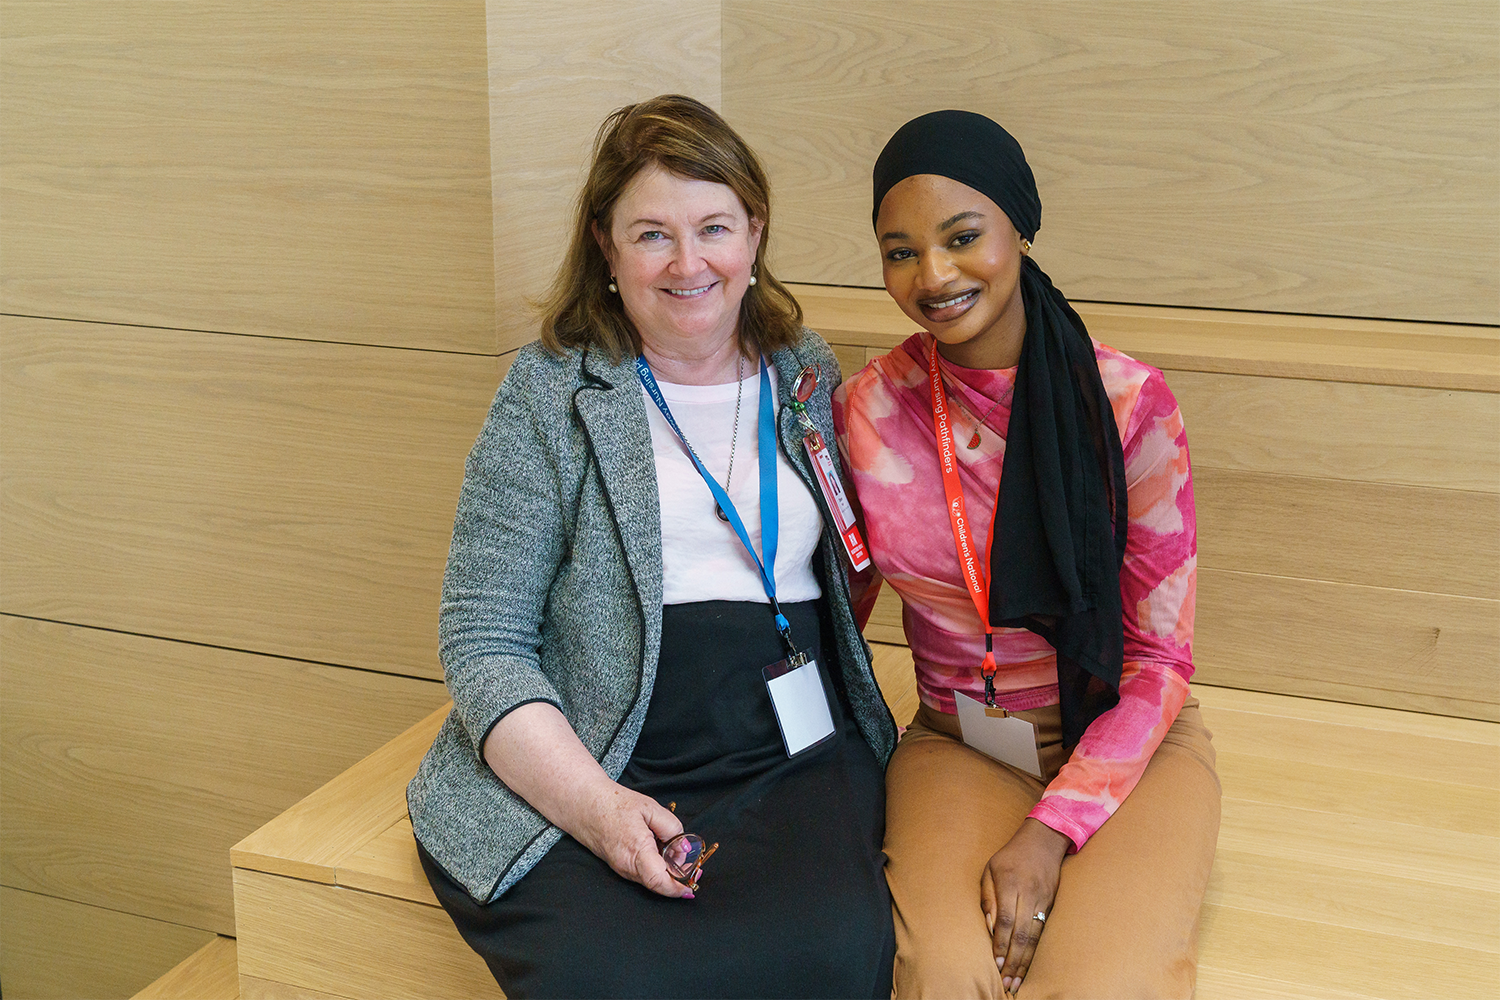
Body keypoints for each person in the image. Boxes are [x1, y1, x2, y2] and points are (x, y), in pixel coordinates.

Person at [406, 94, 899, 1000]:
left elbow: (855, 563)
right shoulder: (548, 395)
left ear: (753, 232)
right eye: (651, 235)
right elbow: (482, 641)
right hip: (602, 740)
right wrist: (597, 811)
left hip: (788, 744)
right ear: (604, 244)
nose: (688, 263)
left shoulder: (807, 372)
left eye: (713, 226)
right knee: (613, 978)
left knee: (837, 951)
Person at [832, 110, 1221, 998]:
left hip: (1121, 738)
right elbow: (836, 607)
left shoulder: (1128, 404)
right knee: (942, 975)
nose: (933, 275)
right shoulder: (867, 407)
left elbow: (1161, 659)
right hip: (955, 740)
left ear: (1019, 225)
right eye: (900, 251)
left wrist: (1049, 833)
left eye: (962, 236)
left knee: (1103, 986)